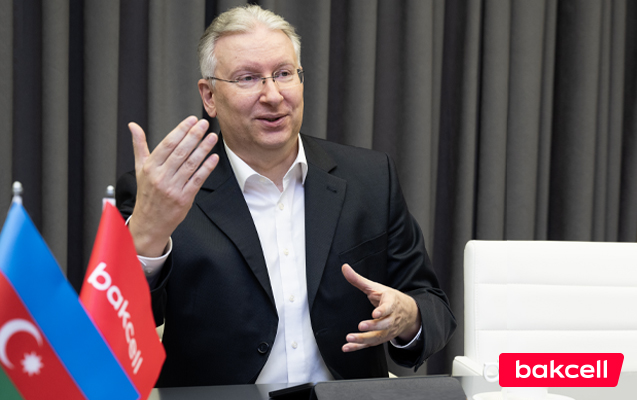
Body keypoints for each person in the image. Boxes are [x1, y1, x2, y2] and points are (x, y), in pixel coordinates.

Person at [116, 4, 455, 387]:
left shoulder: (370, 178)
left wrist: (407, 315)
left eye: (283, 73)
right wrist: (146, 238)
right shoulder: (165, 190)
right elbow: (120, 330)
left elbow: (434, 307)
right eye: (248, 78)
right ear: (209, 96)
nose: (273, 95)